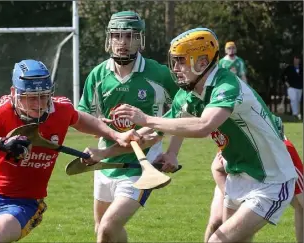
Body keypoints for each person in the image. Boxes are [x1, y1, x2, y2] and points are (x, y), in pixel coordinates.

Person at [113, 28, 298, 242]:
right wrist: (118, 144)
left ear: (202, 62)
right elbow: (163, 127)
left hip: (271, 181)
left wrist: (145, 119)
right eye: (174, 61)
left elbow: (204, 125)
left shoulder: (227, 87)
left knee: (217, 240)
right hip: (238, 176)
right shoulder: (190, 93)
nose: (175, 68)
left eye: (181, 61)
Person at [0, 59, 140, 243]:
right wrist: (2, 143)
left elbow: (81, 119)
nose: (39, 104)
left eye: (44, 96)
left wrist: (116, 135)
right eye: (31, 97)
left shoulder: (60, 109)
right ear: (14, 93)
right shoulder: (2, 110)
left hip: (24, 201)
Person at [77, 10, 179, 243]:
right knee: (102, 230)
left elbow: (186, 109)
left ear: (139, 39)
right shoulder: (98, 74)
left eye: (129, 36)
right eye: (117, 36)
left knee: (107, 228)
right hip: (105, 163)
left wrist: (172, 151)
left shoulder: (159, 74)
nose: (122, 43)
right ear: (109, 39)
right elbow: (82, 115)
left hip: (141, 165)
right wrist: (100, 126)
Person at [205, 135, 303, 243]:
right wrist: (229, 197)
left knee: (239, 234)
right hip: (231, 180)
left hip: (261, 187)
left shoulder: (282, 152)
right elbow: (217, 169)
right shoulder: (235, 140)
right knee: (216, 222)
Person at [281, 55, 303, 120]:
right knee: (294, 100)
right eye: (295, 59)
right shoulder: (289, 68)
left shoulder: (301, 68)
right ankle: (295, 115)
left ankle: (298, 114)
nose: (296, 60)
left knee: (298, 101)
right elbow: (282, 76)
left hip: (300, 87)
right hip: (291, 88)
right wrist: (286, 83)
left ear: (299, 60)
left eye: (297, 59)